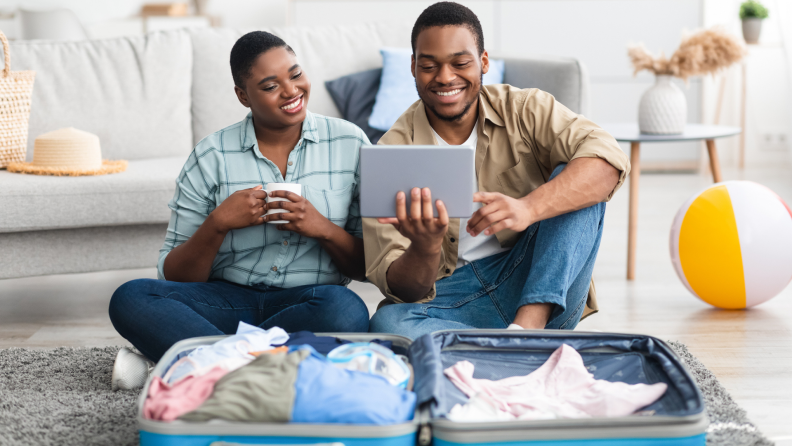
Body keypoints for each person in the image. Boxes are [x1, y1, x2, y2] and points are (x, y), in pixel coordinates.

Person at [108, 31, 371, 389]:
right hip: (223, 300)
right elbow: (175, 275)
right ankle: (258, 369)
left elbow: (365, 266)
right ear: (243, 95)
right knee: (131, 297)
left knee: (346, 310)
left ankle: (197, 363)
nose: (292, 91)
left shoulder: (350, 142)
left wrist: (321, 227)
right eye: (270, 85)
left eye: (295, 74)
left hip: (308, 301)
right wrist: (218, 224)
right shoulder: (211, 155)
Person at [365, 2, 630, 339]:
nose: (445, 77)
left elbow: (608, 159)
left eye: (460, 63)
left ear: (484, 62)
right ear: (414, 67)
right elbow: (402, 289)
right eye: (430, 66)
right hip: (452, 296)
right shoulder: (391, 154)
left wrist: (529, 207)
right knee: (388, 324)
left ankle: (526, 330)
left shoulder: (525, 108)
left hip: (537, 283)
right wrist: (425, 247)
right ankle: (513, 346)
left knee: (579, 175)